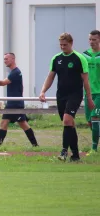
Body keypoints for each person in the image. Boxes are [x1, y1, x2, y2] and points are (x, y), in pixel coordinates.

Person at [39, 33, 95, 162]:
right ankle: (75, 155)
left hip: (75, 94)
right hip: (61, 95)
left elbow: (86, 81)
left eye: (65, 45)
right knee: (69, 124)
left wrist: (89, 98)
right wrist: (43, 91)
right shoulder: (56, 59)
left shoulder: (79, 58)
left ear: (71, 43)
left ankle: (64, 150)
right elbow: (50, 77)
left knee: (66, 121)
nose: (63, 47)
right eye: (61, 45)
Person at [0, 53, 38, 147]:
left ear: (13, 59)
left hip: (15, 104)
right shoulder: (14, 72)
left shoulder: (15, 72)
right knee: (11, 123)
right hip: (13, 103)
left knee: (16, 124)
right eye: (4, 59)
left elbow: (2, 83)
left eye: (6, 59)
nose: (5, 60)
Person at [82, 30, 100, 152]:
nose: (91, 42)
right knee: (89, 121)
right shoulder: (84, 55)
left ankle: (94, 149)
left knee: (95, 118)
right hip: (87, 93)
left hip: (99, 92)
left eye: (94, 39)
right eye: (90, 39)